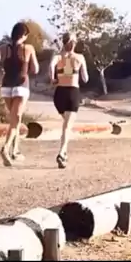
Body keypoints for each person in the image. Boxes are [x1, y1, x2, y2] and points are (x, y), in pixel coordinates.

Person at [0, 22, 39, 166]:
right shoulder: (28, 48)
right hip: (21, 86)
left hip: (6, 87)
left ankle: (16, 151)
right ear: (24, 35)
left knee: (15, 119)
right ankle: (6, 148)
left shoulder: (3, 48)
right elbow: (36, 69)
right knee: (15, 120)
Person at [49, 32, 88, 169]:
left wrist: (53, 78)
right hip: (72, 92)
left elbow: (51, 66)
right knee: (67, 126)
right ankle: (62, 153)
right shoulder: (80, 57)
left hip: (59, 94)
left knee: (66, 124)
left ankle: (64, 153)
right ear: (74, 43)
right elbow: (85, 78)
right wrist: (74, 71)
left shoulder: (58, 57)